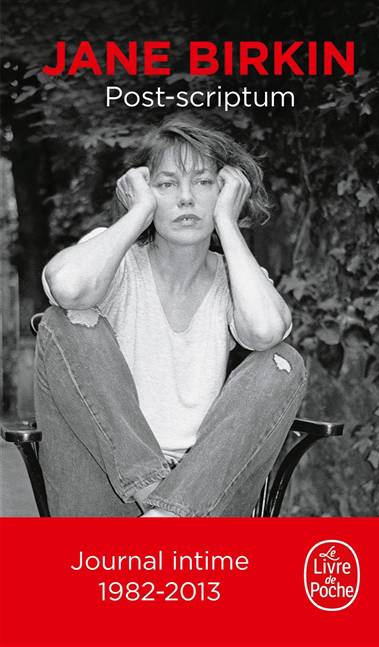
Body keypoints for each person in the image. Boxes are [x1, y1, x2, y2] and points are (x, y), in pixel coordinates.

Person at [35, 115, 307, 517]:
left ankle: (168, 515)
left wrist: (227, 223)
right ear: (143, 192)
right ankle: (164, 508)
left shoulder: (238, 278)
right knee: (64, 322)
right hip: (107, 491)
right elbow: (69, 289)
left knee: (282, 361)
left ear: (226, 192)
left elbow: (267, 332)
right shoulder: (114, 259)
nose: (186, 198)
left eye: (203, 182)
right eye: (166, 184)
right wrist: (138, 212)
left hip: (204, 492)